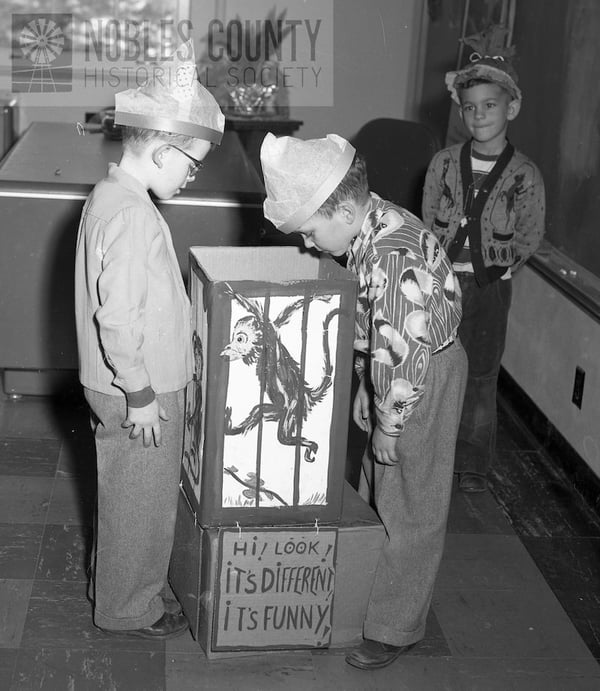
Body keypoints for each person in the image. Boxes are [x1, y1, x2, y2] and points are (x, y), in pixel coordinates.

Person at [260, 132, 468, 670]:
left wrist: (388, 424)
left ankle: (395, 625)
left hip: (421, 377)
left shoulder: (391, 256)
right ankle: (375, 593)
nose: (307, 244)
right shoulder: (369, 228)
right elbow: (377, 334)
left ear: (345, 209)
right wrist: (362, 384)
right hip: (396, 373)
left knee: (410, 501)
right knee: (383, 486)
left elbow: (403, 355)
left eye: (309, 232)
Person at [74, 41, 224, 639]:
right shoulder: (134, 215)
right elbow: (117, 319)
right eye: (192, 165)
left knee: (125, 495)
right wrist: (140, 394)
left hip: (124, 384)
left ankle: (114, 586)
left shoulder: (113, 196)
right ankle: (128, 609)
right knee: (143, 504)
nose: (192, 176)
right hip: (140, 391)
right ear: (163, 149)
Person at [422, 28, 545, 493]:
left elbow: (531, 232)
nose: (479, 115)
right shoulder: (443, 163)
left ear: (511, 107)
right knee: (434, 366)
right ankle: (432, 454)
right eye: (470, 107)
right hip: (444, 280)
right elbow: (429, 214)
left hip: (491, 287)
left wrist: (498, 263)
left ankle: (471, 465)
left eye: (489, 105)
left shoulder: (524, 174)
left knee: (479, 376)